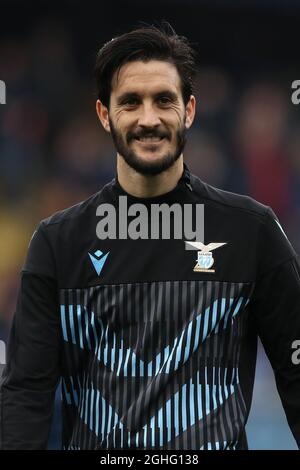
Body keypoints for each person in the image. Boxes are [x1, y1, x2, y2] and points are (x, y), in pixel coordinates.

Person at [1, 23, 300, 451]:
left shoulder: (251, 231)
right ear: (105, 115)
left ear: (189, 110)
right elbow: (26, 393)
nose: (148, 119)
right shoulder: (57, 243)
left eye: (164, 100)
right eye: (130, 102)